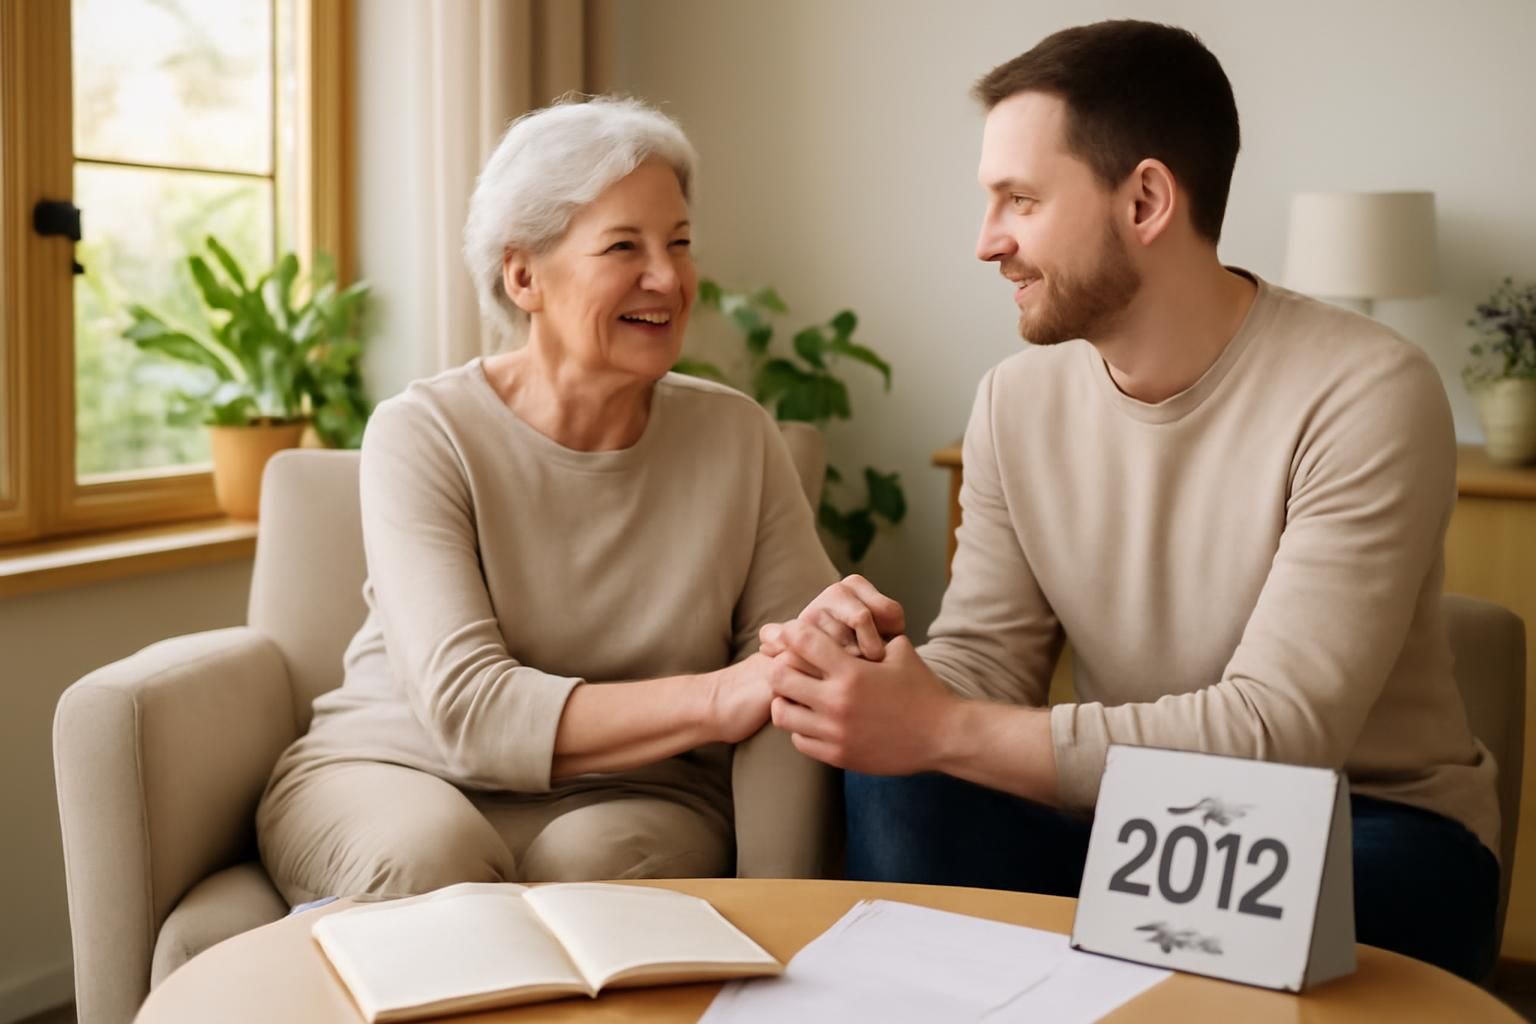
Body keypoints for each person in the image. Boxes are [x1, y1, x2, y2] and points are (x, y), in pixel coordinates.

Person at [760, 21, 1501, 981]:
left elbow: (1275, 736)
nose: (988, 243)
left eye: (1019, 200)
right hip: (1130, 830)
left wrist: (940, 727)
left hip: (1360, 828)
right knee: (900, 777)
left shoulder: (1366, 390)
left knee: (937, 758)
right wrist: (876, 676)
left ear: (1146, 199)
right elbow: (989, 660)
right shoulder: (1012, 403)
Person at [257, 96, 837, 905]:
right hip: (394, 766)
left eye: (678, 244)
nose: (667, 279)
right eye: (623, 247)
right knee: (428, 860)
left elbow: (801, 671)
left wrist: (789, 910)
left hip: (641, 795)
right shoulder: (424, 433)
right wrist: (715, 696)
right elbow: (469, 709)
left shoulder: (738, 438)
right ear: (523, 274)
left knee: (595, 876)